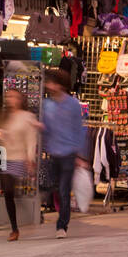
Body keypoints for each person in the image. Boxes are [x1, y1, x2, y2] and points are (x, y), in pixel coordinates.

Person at [40, 69, 86, 238]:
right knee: (53, 188)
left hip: (68, 153)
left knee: (63, 189)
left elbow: (79, 130)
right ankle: (60, 220)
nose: (49, 86)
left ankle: (62, 226)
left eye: (52, 82)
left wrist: (80, 155)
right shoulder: (47, 105)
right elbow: (45, 128)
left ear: (60, 85)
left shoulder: (73, 104)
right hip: (53, 152)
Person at [0, 89, 38, 240]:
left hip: (19, 157)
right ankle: (14, 229)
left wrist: (30, 158)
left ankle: (21, 214)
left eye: (13, 96)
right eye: (8, 96)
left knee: (10, 189)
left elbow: (31, 139)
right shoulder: (3, 115)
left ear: (21, 99)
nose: (10, 99)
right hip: (3, 156)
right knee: (7, 192)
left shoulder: (27, 117)